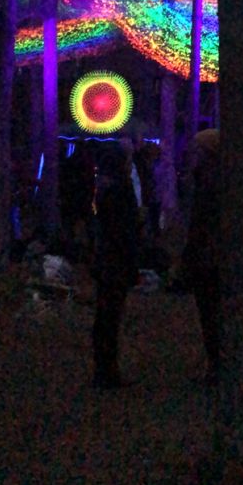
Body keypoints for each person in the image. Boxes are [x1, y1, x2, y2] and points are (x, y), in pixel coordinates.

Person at [91, 142, 140, 389]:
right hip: (116, 260)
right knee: (110, 316)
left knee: (106, 315)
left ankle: (104, 368)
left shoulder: (104, 189)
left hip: (106, 260)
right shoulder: (119, 191)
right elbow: (124, 231)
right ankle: (107, 371)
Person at [180, 128, 220, 384]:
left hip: (209, 259)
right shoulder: (216, 180)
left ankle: (216, 363)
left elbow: (200, 224)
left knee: (210, 312)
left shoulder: (207, 184)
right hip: (211, 256)